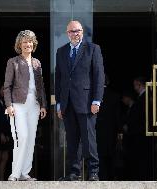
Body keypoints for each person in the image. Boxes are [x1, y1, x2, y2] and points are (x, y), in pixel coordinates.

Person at [55, 20, 105, 181]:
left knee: (89, 139)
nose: (75, 34)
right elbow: (59, 79)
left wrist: (97, 100)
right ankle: (74, 172)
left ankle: (93, 172)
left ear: (82, 32)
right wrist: (59, 104)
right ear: (67, 33)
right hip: (67, 104)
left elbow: (99, 76)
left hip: (87, 102)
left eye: (78, 31)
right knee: (72, 140)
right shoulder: (61, 51)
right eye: (72, 31)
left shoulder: (93, 49)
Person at [3, 30, 47, 181]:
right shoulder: (13, 62)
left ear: (33, 44)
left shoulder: (37, 63)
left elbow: (41, 87)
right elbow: (7, 86)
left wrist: (43, 105)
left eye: (30, 42)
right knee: (21, 137)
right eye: (25, 42)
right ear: (19, 45)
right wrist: (8, 105)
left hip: (34, 105)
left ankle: (24, 173)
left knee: (31, 139)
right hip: (18, 104)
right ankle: (14, 173)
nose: (28, 44)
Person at [0, 86, 13, 181]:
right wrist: (1, 133)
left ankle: (1, 179)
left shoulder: (7, 103)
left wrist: (8, 134)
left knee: (5, 157)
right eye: (3, 89)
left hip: (7, 133)